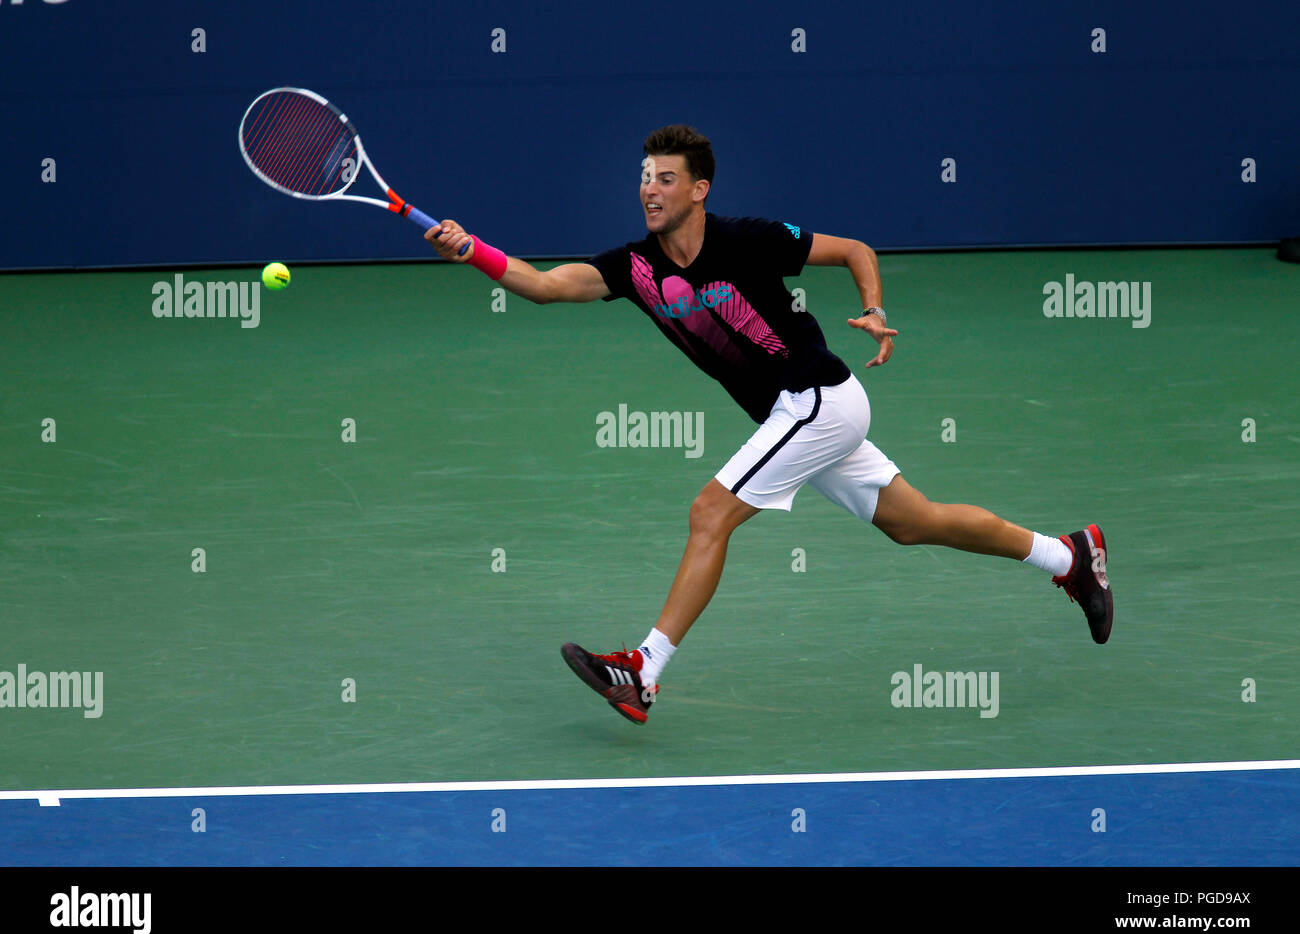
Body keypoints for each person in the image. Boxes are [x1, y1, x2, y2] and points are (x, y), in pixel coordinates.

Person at [426, 125, 1112, 726]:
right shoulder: (634, 268)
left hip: (818, 399)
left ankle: (643, 669)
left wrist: (873, 309)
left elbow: (855, 250)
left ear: (700, 189)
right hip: (802, 416)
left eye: (666, 179)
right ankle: (1070, 555)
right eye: (644, 179)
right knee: (914, 522)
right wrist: (472, 251)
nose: (649, 190)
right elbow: (544, 284)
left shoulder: (748, 240)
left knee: (709, 513)